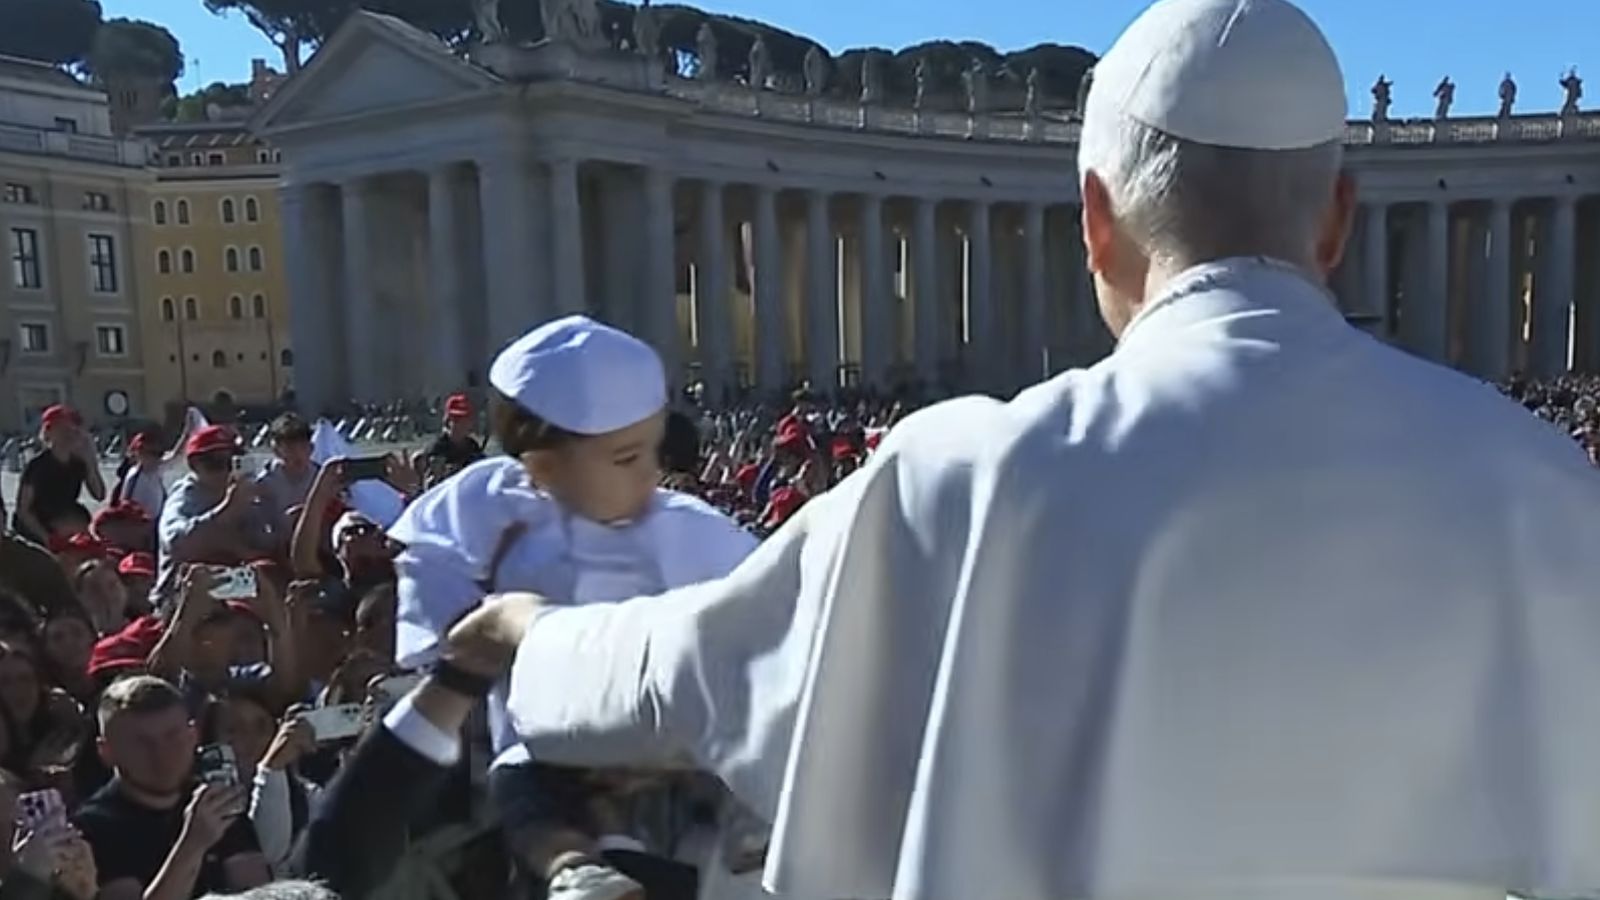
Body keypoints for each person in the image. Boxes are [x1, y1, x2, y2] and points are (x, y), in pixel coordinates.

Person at [459, 2, 1600, 900]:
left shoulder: (964, 476)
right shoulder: (1545, 487)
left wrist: (527, 634)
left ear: (1096, 220)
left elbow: (678, 670)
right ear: (1339, 218)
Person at [389, 315, 756, 900]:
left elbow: (749, 625)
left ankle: (750, 825)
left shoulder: (682, 526)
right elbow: (443, 638)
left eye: (652, 452)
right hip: (546, 741)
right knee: (520, 785)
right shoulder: (493, 516)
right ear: (544, 465)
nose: (651, 474)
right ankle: (573, 867)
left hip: (670, 747)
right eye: (625, 458)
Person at [74, 676, 270, 900]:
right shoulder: (93, 828)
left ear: (193, 736)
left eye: (172, 737)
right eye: (141, 743)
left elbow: (257, 891)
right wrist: (193, 844)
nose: (162, 754)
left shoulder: (213, 802)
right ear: (106, 752)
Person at [154, 426, 272, 604]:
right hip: (182, 597)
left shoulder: (243, 492)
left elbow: (263, 544)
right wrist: (226, 511)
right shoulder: (186, 496)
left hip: (235, 591)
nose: (224, 471)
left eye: (231, 462)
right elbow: (175, 542)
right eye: (215, 463)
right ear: (194, 465)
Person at [11, 406, 105, 546]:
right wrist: (47, 538)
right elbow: (24, 510)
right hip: (37, 527)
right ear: (49, 432)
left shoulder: (78, 462)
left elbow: (99, 495)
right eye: (63, 429)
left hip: (66, 523)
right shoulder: (37, 466)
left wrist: (90, 462)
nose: (69, 434)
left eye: (73, 429)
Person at [252, 415, 318, 543]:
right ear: (276, 451)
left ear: (311, 448)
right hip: (277, 542)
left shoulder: (321, 477)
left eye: (303, 447)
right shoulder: (264, 482)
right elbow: (259, 522)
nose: (298, 454)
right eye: (290, 449)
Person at [415, 393, 484, 489]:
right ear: (448, 420)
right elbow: (430, 486)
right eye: (456, 419)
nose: (462, 424)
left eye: (466, 419)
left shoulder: (473, 447)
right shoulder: (437, 449)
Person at [112, 433, 167, 522]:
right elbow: (123, 502)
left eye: (157, 454)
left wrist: (186, 435)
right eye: (148, 453)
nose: (153, 457)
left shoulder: (158, 471)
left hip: (156, 521)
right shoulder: (133, 476)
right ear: (138, 454)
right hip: (138, 522)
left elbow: (178, 456)